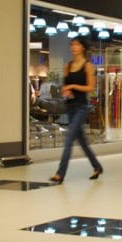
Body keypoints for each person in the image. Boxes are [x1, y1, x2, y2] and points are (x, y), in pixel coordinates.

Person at [49, 36, 102, 183]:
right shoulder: (68, 66)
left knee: (69, 140)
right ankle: (97, 166)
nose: (73, 47)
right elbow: (65, 86)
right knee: (83, 142)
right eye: (72, 45)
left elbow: (90, 88)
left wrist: (73, 87)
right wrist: (66, 90)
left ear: (82, 47)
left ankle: (60, 173)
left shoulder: (88, 66)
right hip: (70, 107)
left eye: (76, 45)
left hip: (81, 108)